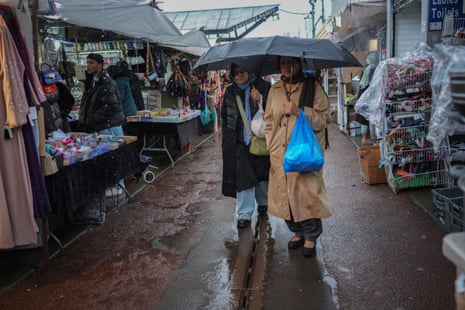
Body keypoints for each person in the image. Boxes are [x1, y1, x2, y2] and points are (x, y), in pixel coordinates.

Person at [264, 56, 332, 257]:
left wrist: (299, 111)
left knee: (306, 194)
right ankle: (297, 232)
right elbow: (269, 120)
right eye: (282, 63)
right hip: (279, 152)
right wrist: (271, 144)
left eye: (290, 62)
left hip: (303, 153)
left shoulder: (313, 87)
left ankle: (311, 236)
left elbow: (323, 119)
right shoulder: (275, 90)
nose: (286, 67)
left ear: (298, 64)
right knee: (284, 194)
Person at [221, 63, 271, 228]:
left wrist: (261, 99)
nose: (238, 76)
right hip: (239, 141)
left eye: (241, 72)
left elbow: (273, 111)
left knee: (262, 174)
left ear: (249, 71)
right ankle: (244, 214)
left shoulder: (263, 86)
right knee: (243, 178)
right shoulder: (230, 91)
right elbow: (225, 117)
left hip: (261, 139)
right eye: (234, 73)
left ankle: (263, 203)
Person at [79, 53, 126, 197]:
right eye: (87, 62)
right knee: (109, 158)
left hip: (109, 126)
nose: (88, 65)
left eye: (91, 62)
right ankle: (114, 185)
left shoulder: (107, 83)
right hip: (104, 125)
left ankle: (117, 186)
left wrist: (93, 118)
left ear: (100, 64)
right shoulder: (95, 81)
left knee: (113, 158)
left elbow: (112, 106)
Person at [356, 52, 379, 145]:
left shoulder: (365, 69)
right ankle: (365, 139)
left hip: (362, 94)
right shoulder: (372, 69)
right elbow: (372, 84)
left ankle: (365, 138)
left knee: (363, 117)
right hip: (367, 95)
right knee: (366, 117)